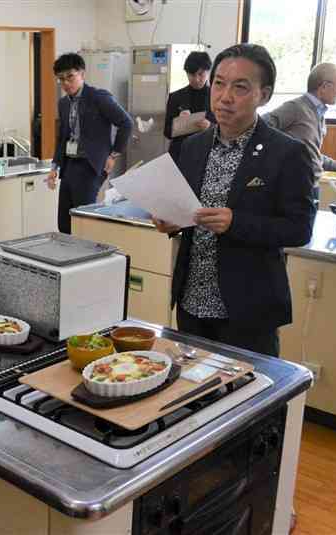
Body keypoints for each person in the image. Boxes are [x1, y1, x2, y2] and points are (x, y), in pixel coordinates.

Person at [153, 43, 316, 357]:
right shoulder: (194, 146)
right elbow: (188, 209)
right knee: (193, 396)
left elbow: (299, 229)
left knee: (249, 399)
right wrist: (171, 220)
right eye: (219, 83)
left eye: (240, 87)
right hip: (191, 302)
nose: (225, 96)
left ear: (263, 95)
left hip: (248, 309)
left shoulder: (287, 153)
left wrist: (236, 223)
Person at [45, 52, 133, 234]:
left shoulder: (98, 97)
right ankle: (66, 259)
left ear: (82, 74)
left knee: (83, 221)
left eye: (70, 76)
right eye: (60, 79)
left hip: (90, 165)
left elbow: (126, 123)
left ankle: (84, 260)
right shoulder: (63, 103)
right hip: (69, 166)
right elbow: (62, 137)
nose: (65, 83)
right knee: (64, 222)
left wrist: (113, 155)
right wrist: (54, 167)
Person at [263, 62, 336, 186]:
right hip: (293, 186)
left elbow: (311, 153)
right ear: (324, 86)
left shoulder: (320, 114)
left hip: (312, 184)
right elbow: (260, 126)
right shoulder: (295, 108)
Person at [164, 51, 213, 163]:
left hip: (206, 156)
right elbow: (166, 132)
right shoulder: (175, 97)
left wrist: (210, 126)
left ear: (208, 72)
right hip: (180, 155)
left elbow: (227, 130)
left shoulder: (216, 97)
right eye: (192, 74)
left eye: (200, 74)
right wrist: (178, 122)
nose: (196, 79)